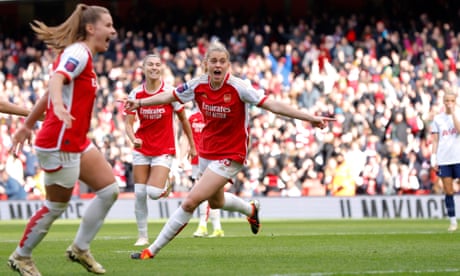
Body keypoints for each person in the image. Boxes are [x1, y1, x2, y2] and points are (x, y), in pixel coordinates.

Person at [124, 40, 334, 260]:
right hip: (207, 151)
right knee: (216, 202)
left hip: (231, 154)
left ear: (228, 65)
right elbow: (169, 96)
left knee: (190, 201)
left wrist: (310, 118)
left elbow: (273, 105)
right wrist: (139, 104)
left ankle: (151, 250)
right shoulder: (197, 85)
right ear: (206, 64)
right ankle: (251, 210)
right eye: (213, 61)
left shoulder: (239, 87)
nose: (218, 65)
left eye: (222, 61)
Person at [7, 4, 118, 276]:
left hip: (75, 140)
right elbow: (57, 80)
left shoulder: (84, 54)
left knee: (109, 189)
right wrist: (58, 105)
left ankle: (80, 248)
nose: (113, 31)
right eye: (108, 25)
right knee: (56, 206)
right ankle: (22, 256)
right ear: (91, 28)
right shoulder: (78, 53)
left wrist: (27, 124)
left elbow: (49, 90)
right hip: (59, 142)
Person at [124, 54, 196, 246]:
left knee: (153, 193)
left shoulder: (170, 92)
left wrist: (192, 145)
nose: (154, 68)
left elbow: (184, 120)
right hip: (142, 147)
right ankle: (142, 236)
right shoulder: (135, 94)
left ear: (161, 68)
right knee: (139, 193)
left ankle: (166, 183)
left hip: (164, 148)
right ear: (144, 68)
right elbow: (128, 124)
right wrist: (133, 138)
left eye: (157, 65)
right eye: (150, 65)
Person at [188, 109, 224, 238]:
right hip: (197, 160)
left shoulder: (214, 114)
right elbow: (187, 138)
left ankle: (204, 225)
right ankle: (216, 227)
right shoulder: (192, 117)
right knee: (206, 193)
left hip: (212, 157)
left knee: (207, 192)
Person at [430, 90, 459, 232]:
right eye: (447, 101)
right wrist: (433, 157)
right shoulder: (437, 119)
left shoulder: (458, 114)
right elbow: (435, 140)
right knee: (448, 191)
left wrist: (454, 113)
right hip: (444, 158)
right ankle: (453, 221)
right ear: (443, 102)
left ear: (456, 101)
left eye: (452, 101)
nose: (449, 103)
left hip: (458, 157)